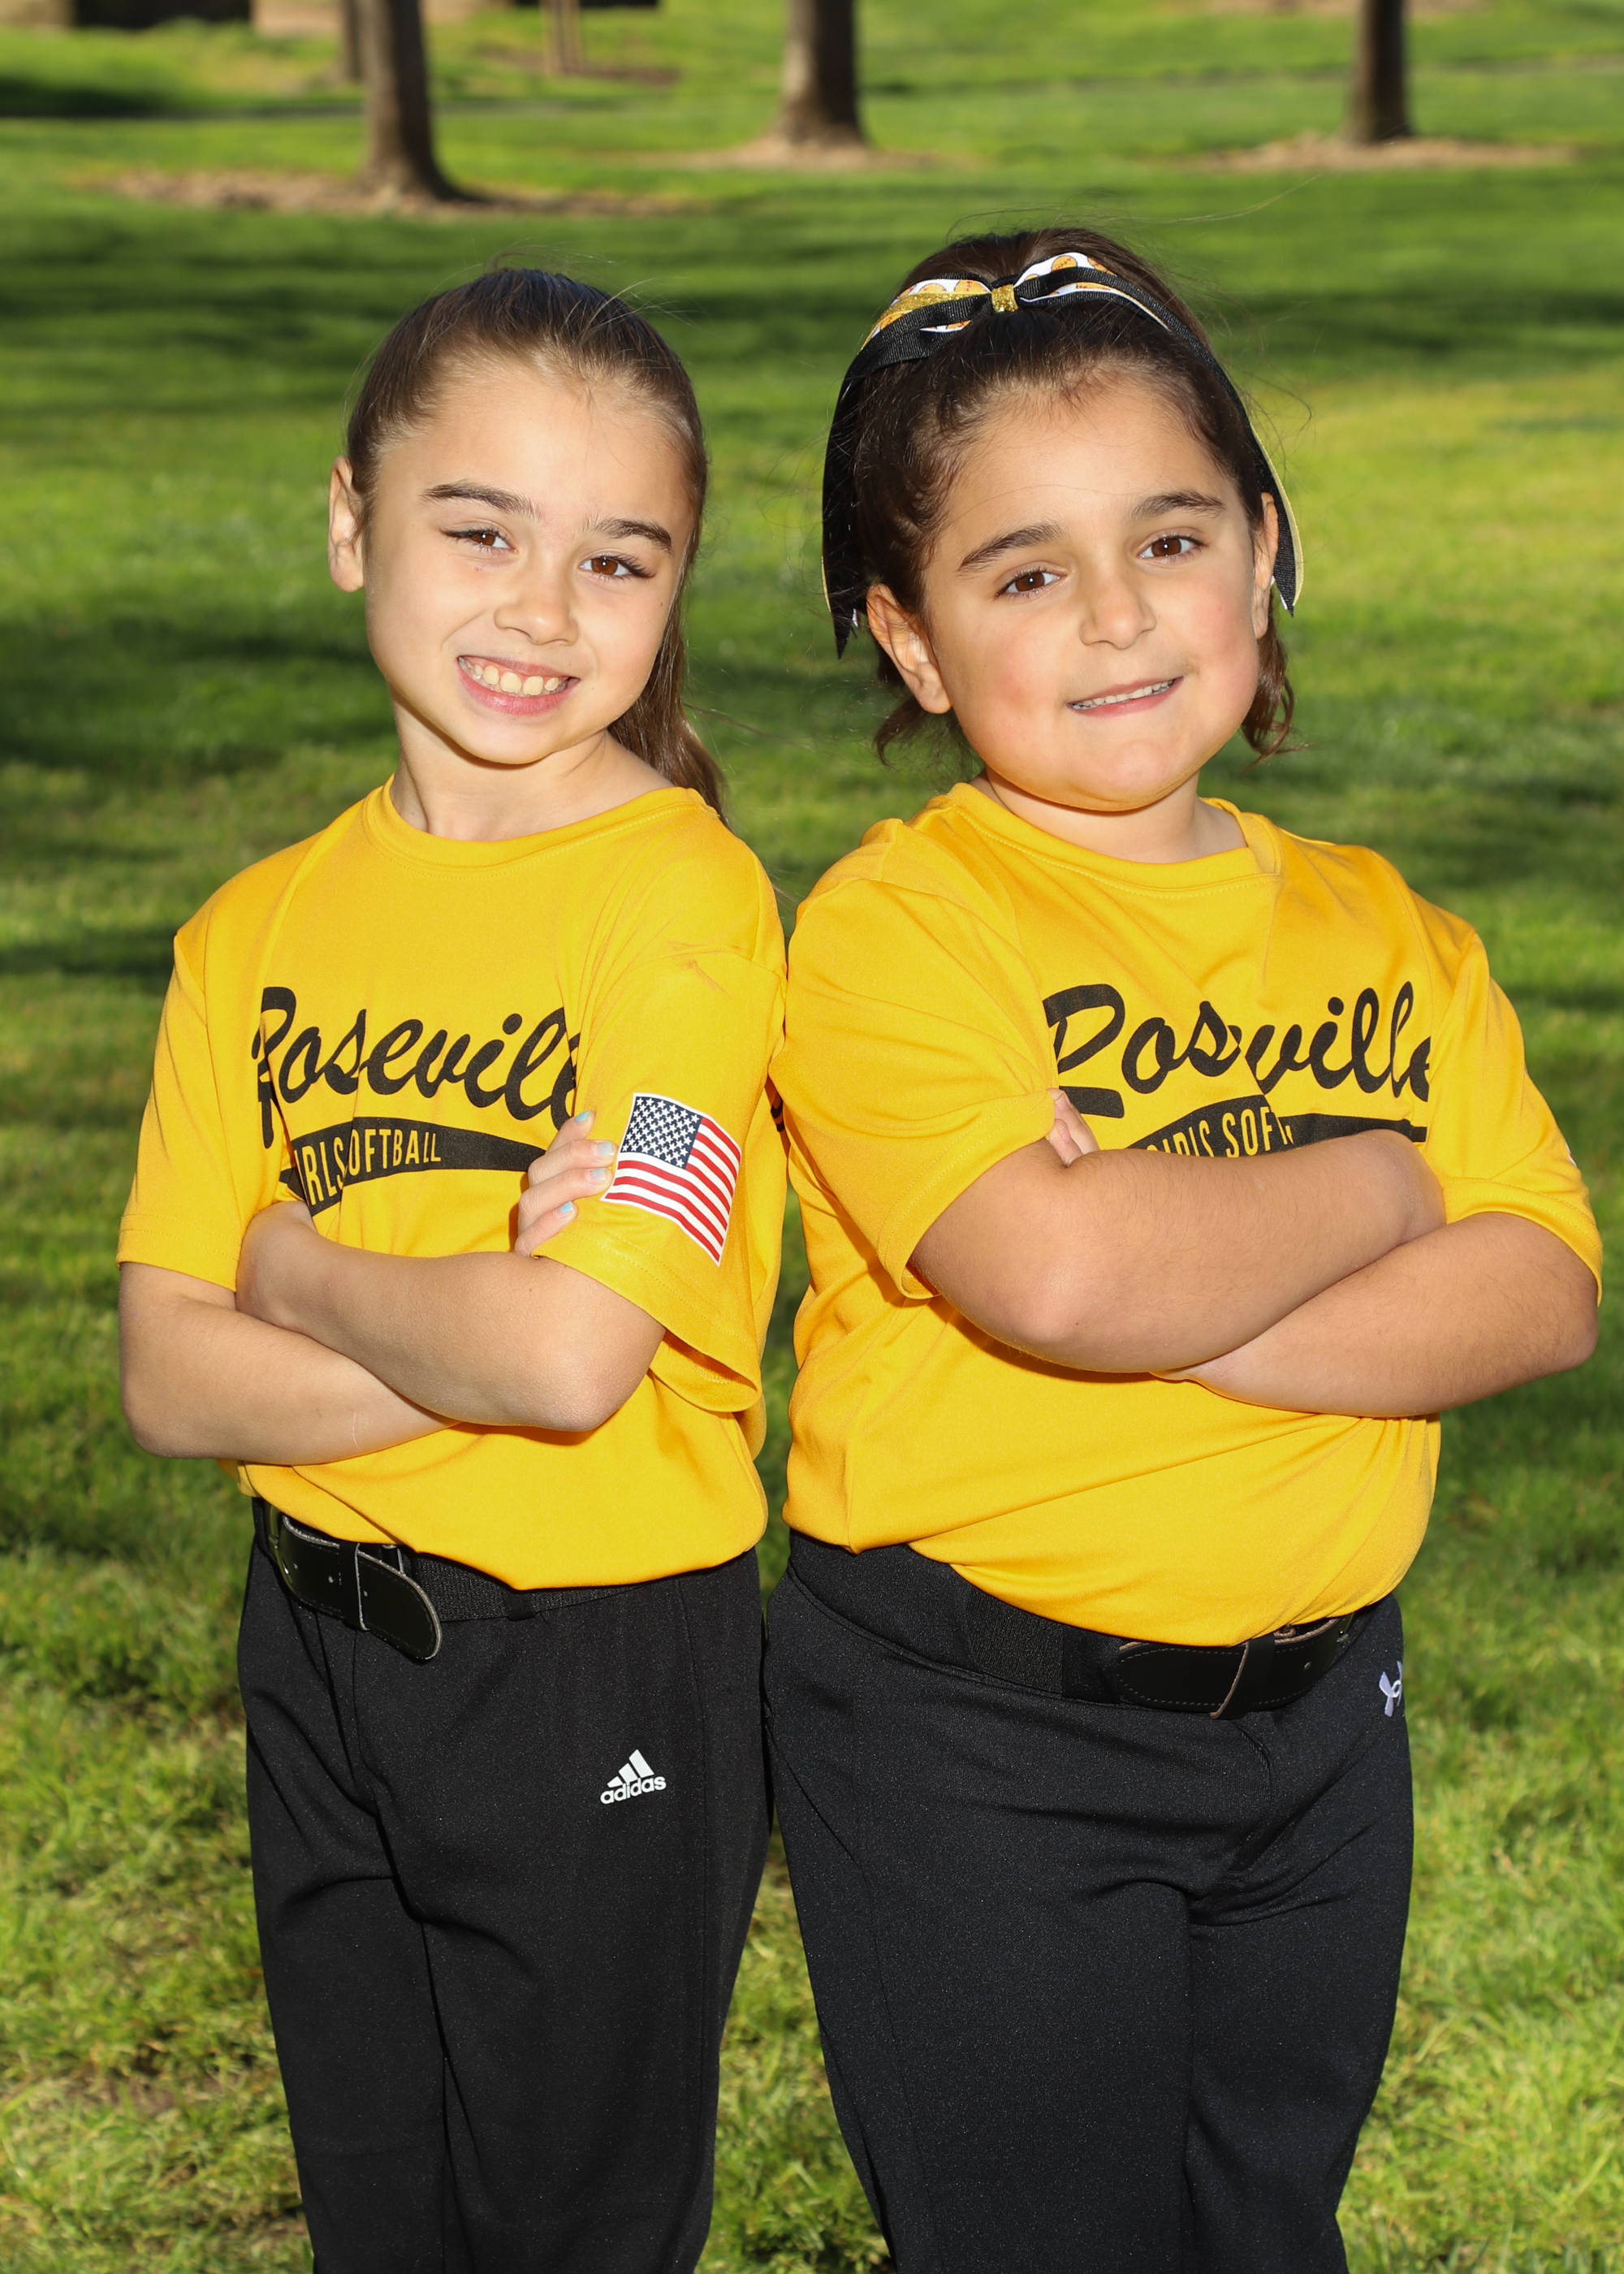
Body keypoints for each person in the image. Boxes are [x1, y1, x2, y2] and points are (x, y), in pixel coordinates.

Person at [767, 226, 1601, 2274]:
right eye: (1021, 573)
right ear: (907, 638)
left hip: (1322, 1729)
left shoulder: (1390, 929)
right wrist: (1379, 1186)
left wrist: (1174, 1270)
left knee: (1265, 2225)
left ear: (1263, 546)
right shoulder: (897, 930)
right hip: (981, 1733)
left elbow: (1542, 1290)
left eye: (1168, 537)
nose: (1116, 614)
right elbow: (1054, 1281)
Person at [116, 269, 784, 2274]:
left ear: (672, 592)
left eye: (617, 560)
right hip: (314, 1640)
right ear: (352, 523)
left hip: (590, 1655)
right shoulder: (253, 928)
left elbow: (571, 1363)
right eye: (478, 530)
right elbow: (166, 1375)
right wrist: (472, 1325)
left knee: (567, 2229)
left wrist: (293, 1265)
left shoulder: (682, 897)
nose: (541, 611)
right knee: (379, 2214)